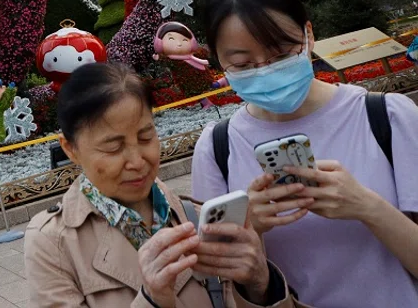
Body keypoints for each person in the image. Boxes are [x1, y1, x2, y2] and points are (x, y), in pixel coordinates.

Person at [192, 0, 418, 307]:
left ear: (308, 35)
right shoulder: (217, 148)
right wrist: (251, 231)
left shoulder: (388, 117)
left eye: (281, 54)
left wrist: (366, 206)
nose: (266, 71)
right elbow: (219, 289)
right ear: (219, 62)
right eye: (243, 64)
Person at [26, 62, 305, 307]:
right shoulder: (53, 243)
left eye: (146, 137)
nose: (137, 160)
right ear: (71, 149)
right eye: (113, 148)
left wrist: (260, 286)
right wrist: (152, 300)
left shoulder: (195, 215)